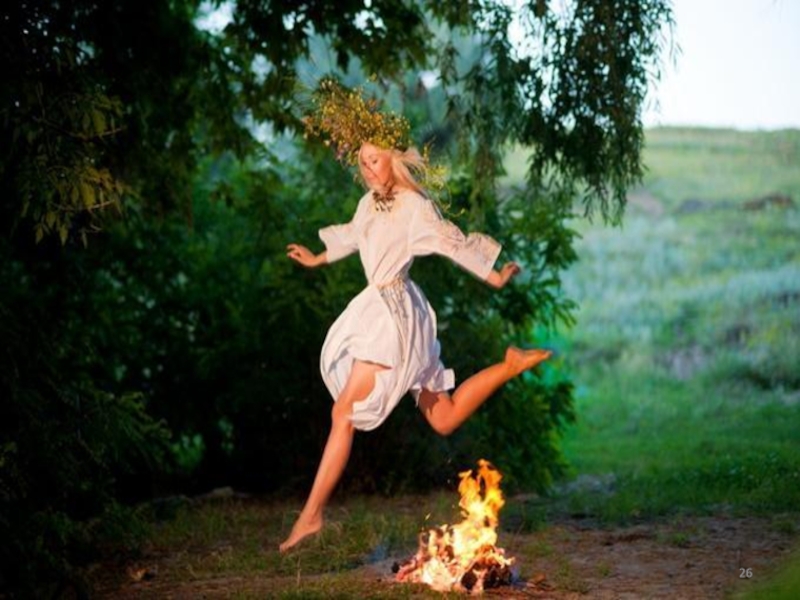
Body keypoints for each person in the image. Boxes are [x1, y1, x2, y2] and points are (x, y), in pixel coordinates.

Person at [280, 139, 552, 553]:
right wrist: (317, 258)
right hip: (395, 313)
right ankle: (509, 366)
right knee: (444, 417)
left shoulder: (413, 205)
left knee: (343, 412)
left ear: (393, 159)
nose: (368, 168)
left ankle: (312, 515)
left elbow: (448, 241)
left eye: (375, 160)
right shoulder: (368, 203)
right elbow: (353, 236)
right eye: (362, 162)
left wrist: (494, 276)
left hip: (393, 316)